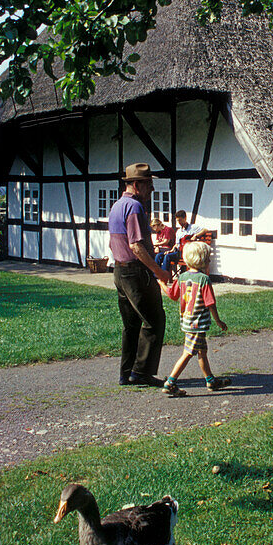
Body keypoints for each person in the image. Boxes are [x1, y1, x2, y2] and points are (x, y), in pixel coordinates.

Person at [107, 163, 171, 387]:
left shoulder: (116, 206)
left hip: (120, 271)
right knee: (155, 320)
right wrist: (158, 271)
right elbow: (136, 246)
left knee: (131, 324)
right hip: (136, 272)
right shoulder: (134, 207)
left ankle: (126, 373)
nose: (152, 189)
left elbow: (113, 241)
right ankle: (141, 372)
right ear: (136, 185)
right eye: (149, 184)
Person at [160, 240, 231, 397]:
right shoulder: (204, 279)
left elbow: (172, 295)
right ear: (201, 260)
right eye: (208, 258)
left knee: (202, 352)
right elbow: (210, 303)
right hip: (198, 324)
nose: (210, 261)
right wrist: (218, 321)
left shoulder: (182, 277)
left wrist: (162, 284)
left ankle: (210, 381)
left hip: (188, 322)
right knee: (188, 353)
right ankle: (170, 383)